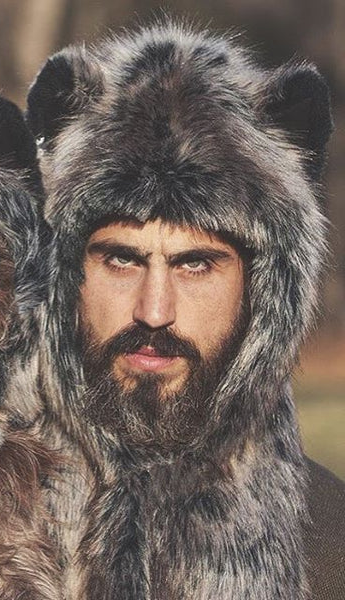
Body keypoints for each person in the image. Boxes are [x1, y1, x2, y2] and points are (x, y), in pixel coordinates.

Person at [26, 20, 345, 599]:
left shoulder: (332, 543)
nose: (154, 311)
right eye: (121, 260)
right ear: (61, 275)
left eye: (196, 264)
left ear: (263, 292)